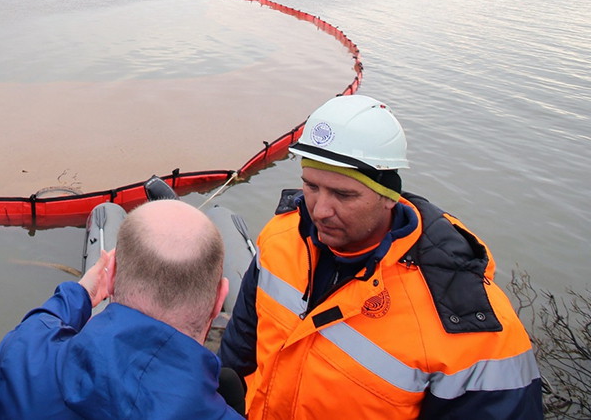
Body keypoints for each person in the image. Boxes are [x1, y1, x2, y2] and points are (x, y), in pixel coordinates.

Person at [218, 94, 543, 419]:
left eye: (344, 194)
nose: (320, 210)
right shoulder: (281, 236)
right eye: (311, 186)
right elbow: (241, 345)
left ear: (389, 197)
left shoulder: (465, 318)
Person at [0, 198, 245, 420]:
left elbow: (37, 327)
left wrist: (80, 293)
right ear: (218, 299)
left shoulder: (19, 365)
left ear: (111, 278)